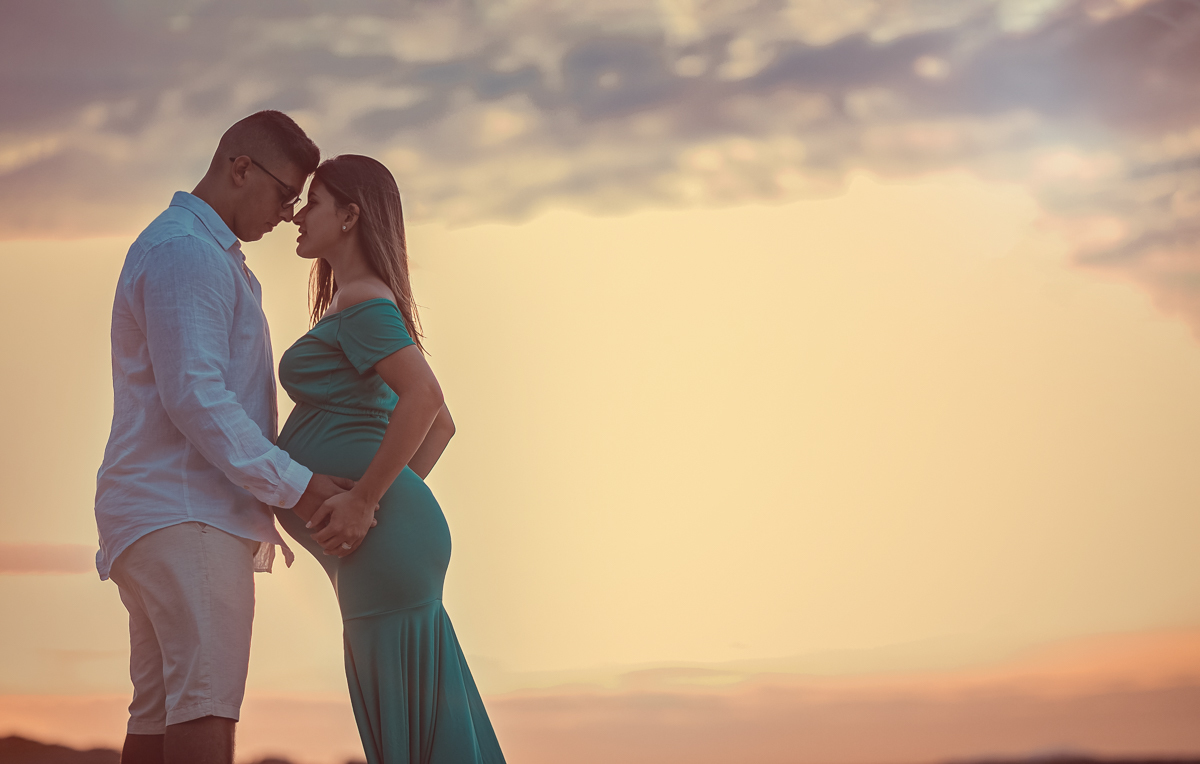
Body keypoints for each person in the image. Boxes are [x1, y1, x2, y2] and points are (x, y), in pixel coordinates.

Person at [93, 111, 360, 764]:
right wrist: (296, 488)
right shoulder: (187, 251)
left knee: (159, 713)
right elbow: (196, 396)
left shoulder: (196, 251)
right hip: (187, 513)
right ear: (241, 168)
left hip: (164, 512)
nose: (289, 213)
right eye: (284, 193)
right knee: (205, 708)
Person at [274, 154, 506, 763]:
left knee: (405, 734)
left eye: (314, 202)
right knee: (412, 727)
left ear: (350, 216)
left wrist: (367, 501)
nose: (298, 215)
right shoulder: (358, 302)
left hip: (382, 544)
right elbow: (443, 424)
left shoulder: (362, 303)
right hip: (383, 540)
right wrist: (381, 500)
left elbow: (427, 401)